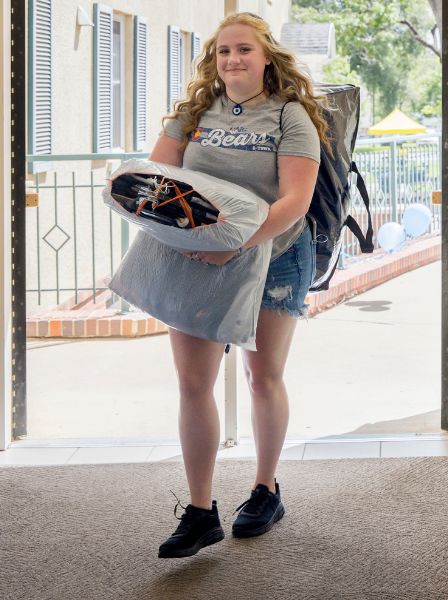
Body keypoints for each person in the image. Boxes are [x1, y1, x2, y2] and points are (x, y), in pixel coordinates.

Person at [150, 12, 327, 559]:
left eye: (244, 49)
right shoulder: (192, 114)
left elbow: (295, 200)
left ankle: (265, 490)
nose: (233, 59)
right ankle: (200, 511)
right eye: (224, 51)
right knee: (192, 382)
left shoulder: (291, 114)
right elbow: (159, 181)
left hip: (276, 255)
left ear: (267, 57)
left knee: (261, 377)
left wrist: (238, 244)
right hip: (199, 257)